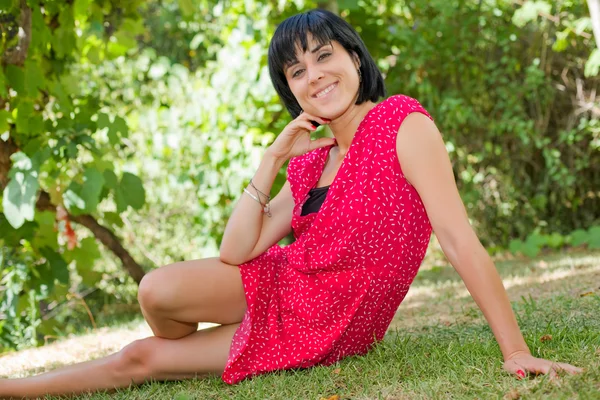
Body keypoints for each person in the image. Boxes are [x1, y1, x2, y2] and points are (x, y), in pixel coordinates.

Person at [0, 8, 582, 399]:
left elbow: (458, 240)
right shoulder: (306, 163)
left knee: (140, 360)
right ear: (290, 89)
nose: (315, 76)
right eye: (297, 71)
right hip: (284, 282)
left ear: (354, 57)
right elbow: (237, 251)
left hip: (332, 320)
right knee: (154, 288)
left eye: (324, 56)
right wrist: (272, 160)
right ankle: (210, 343)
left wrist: (515, 351)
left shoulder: (403, 123)